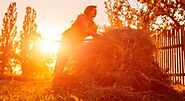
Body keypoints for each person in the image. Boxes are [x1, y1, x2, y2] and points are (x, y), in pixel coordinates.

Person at [53, 5, 98, 80]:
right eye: (92, 10)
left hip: (77, 42)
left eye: (95, 10)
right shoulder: (81, 17)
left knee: (79, 57)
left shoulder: (94, 25)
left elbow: (95, 37)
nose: (94, 11)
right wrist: (96, 34)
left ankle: (78, 77)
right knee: (63, 57)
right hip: (68, 39)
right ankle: (56, 77)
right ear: (87, 10)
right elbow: (85, 29)